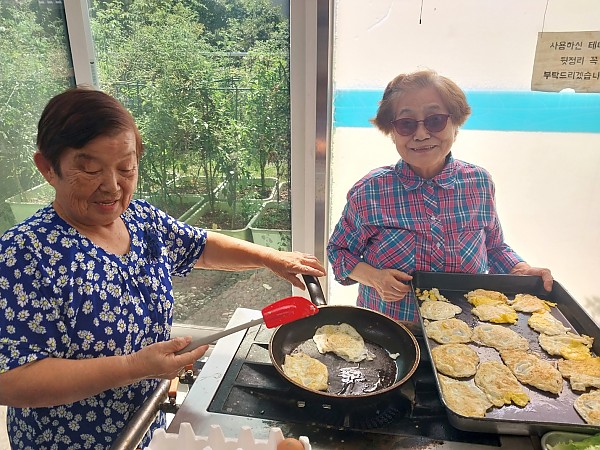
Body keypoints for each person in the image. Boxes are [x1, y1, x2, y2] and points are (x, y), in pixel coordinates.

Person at [0, 86, 326, 450]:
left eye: (126, 167)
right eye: (89, 168)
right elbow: (11, 380)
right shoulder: (24, 254)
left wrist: (269, 257)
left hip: (142, 425)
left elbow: (201, 246)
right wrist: (135, 367)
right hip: (70, 441)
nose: (112, 186)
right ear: (47, 167)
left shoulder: (139, 220)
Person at [327, 69, 553, 322]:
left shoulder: (479, 182)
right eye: (406, 124)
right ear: (391, 132)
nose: (421, 134)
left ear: (456, 124)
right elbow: (338, 252)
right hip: (391, 328)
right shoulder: (370, 191)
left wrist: (519, 270)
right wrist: (375, 278)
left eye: (435, 120)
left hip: (466, 327)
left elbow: (493, 246)